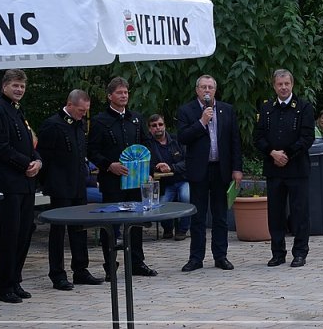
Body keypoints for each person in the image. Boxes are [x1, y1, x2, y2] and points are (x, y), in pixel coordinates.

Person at [87, 77, 157, 280]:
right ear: (110, 96)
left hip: (135, 181)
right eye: (119, 92)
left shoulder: (136, 119)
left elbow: (147, 145)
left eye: (126, 92)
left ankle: (137, 262)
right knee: (111, 223)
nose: (124, 95)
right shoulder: (100, 121)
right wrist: (109, 165)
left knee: (136, 221)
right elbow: (92, 150)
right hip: (112, 180)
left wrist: (148, 169)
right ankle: (110, 265)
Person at [38, 89, 104, 291]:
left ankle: (80, 269)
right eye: (81, 110)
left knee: (79, 228)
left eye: (86, 111)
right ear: (70, 105)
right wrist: (48, 183)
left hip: (78, 185)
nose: (83, 114)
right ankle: (57, 274)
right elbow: (44, 157)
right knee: (58, 232)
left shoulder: (79, 125)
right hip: (60, 186)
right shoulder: (53, 125)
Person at [0, 69, 42, 304]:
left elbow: (30, 143)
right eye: (15, 85)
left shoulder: (18, 110)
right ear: (4, 86)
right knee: (10, 235)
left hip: (26, 183)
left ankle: (15, 280)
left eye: (22, 86)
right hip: (9, 184)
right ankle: (5, 286)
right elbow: (0, 146)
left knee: (24, 233)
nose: (19, 90)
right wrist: (25, 163)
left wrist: (38, 160)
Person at [177, 75, 243, 272]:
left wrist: (237, 168)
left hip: (221, 169)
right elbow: (183, 137)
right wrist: (202, 122)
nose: (207, 90)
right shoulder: (186, 110)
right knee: (198, 216)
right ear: (197, 90)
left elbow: (235, 141)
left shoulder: (226, 109)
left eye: (210, 87)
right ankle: (196, 258)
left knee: (220, 216)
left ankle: (220, 256)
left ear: (215, 90)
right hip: (199, 169)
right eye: (203, 87)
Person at [254, 69, 314, 268]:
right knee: (275, 214)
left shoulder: (304, 107)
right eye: (279, 84)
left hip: (297, 169)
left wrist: (286, 154)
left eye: (286, 84)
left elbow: (307, 138)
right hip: (274, 169)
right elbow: (258, 137)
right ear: (274, 86)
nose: (283, 87)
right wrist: (272, 153)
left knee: (300, 213)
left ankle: (300, 253)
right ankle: (278, 253)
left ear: (292, 84)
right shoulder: (266, 108)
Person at [145, 113, 190, 241]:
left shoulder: (177, 140)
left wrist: (171, 167)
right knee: (162, 204)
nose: (158, 127)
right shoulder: (147, 144)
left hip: (182, 180)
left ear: (164, 125)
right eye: (154, 125)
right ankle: (168, 229)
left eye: (160, 124)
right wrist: (156, 167)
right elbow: (145, 164)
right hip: (164, 184)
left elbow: (188, 161)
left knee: (186, 197)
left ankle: (182, 230)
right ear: (149, 129)